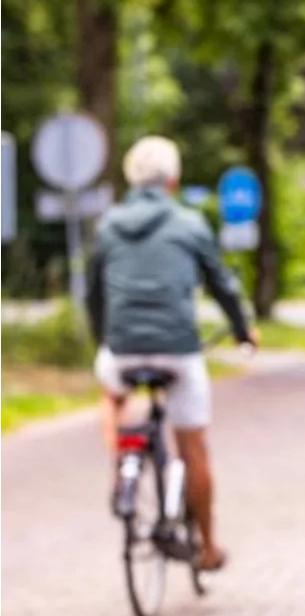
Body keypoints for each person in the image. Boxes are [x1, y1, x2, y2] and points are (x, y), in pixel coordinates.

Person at [86, 136, 257, 572]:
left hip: (121, 348)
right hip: (179, 351)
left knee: (110, 389)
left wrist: (103, 338)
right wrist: (243, 331)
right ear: (174, 181)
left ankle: (121, 458)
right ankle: (209, 546)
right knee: (193, 445)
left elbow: (93, 294)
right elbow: (222, 285)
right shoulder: (190, 224)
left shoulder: (107, 225)